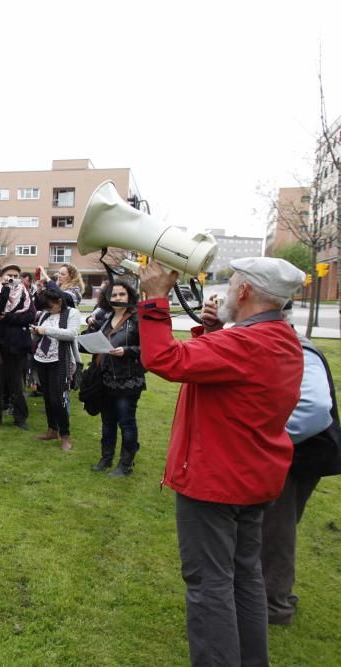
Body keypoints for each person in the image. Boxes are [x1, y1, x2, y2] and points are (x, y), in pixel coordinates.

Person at [138, 256, 305, 667]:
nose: (227, 292)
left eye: (232, 286)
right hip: (252, 480)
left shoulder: (245, 344)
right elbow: (225, 368)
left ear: (246, 291)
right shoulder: (278, 338)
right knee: (245, 576)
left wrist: (156, 298)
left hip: (215, 482)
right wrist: (213, 330)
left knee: (209, 584)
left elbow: (164, 360)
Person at [260, 305, 341, 625]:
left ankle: (275, 604)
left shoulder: (298, 348)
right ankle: (270, 594)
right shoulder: (286, 343)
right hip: (293, 453)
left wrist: (268, 441)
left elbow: (315, 408)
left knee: (276, 531)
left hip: (297, 457)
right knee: (274, 527)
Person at [86, 280, 146, 476]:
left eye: (122, 294)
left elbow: (150, 349)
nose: (118, 298)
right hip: (106, 379)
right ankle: (106, 458)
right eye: (113, 295)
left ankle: (125, 464)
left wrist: (127, 351)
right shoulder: (105, 318)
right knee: (107, 422)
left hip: (128, 380)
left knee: (126, 423)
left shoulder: (137, 319)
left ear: (129, 296)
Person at [30, 286, 79, 451]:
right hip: (42, 358)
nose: (47, 310)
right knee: (48, 398)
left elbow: (71, 333)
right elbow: (39, 335)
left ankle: (65, 435)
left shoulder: (72, 313)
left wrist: (46, 330)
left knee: (59, 399)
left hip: (60, 359)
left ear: (59, 301)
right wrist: (36, 332)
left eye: (49, 306)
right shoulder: (45, 314)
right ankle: (52, 430)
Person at [0, 264, 35, 430]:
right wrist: (6, 290)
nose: (12, 278)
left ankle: (20, 417)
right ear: (2, 276)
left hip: (18, 345)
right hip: (0, 344)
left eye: (16, 275)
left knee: (18, 385)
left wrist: (8, 317)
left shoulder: (25, 293)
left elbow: (30, 316)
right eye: (9, 275)